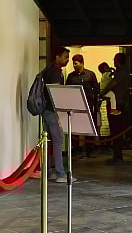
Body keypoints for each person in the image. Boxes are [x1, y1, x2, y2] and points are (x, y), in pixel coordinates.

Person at [41, 46, 74, 183]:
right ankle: (60, 173)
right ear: (58, 57)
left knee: (48, 141)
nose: (67, 60)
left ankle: (48, 172)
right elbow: (56, 93)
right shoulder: (55, 72)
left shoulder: (48, 69)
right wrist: (60, 112)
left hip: (45, 109)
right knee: (58, 140)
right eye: (65, 57)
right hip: (52, 110)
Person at [101, 52, 132, 163]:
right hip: (120, 102)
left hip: (118, 104)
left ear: (117, 61)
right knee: (116, 130)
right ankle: (117, 155)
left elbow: (112, 84)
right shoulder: (124, 72)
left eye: (115, 60)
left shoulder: (120, 73)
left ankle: (118, 156)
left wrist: (102, 93)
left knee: (115, 129)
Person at [66, 54, 99, 157]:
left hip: (88, 104)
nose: (74, 65)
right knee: (75, 127)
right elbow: (67, 90)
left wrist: (96, 105)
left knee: (89, 127)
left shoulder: (90, 74)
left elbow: (96, 90)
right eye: (73, 63)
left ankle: (90, 150)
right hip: (75, 104)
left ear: (82, 63)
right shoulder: (71, 76)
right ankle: (77, 149)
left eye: (76, 63)